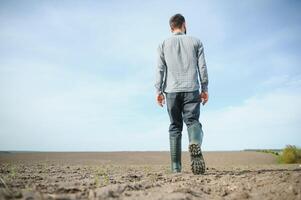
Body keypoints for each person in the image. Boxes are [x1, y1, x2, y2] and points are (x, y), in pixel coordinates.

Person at [154, 13, 209, 174]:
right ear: (184, 24)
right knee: (192, 121)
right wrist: (204, 88)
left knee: (175, 127)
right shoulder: (196, 42)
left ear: (171, 27)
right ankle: (194, 142)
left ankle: (176, 168)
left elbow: (159, 69)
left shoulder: (163, 44)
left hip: (171, 91)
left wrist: (158, 91)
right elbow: (203, 67)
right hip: (191, 89)